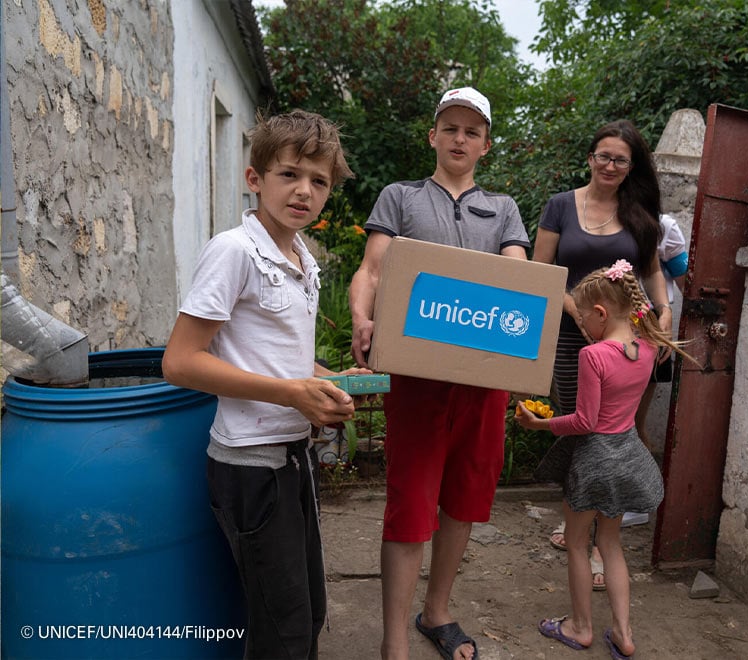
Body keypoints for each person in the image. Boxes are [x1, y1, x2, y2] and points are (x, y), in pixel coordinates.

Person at [162, 110, 365, 659]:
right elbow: (180, 362)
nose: (304, 191)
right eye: (289, 174)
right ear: (255, 178)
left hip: (293, 458)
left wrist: (332, 380)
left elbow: (280, 359)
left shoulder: (300, 257)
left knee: (308, 614)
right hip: (250, 467)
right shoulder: (234, 251)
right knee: (283, 631)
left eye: (319, 181)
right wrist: (292, 394)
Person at [349, 86, 530, 660]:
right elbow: (371, 270)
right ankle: (394, 642)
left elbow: (518, 284)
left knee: (464, 499)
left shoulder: (503, 209)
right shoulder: (400, 197)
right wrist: (361, 316)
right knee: (410, 503)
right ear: (433, 135)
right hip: (417, 381)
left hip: (482, 383)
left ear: (486, 146)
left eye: (472, 131)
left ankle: (437, 612)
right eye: (450, 127)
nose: (459, 138)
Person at [515, 259, 694, 658]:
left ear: (600, 313)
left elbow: (585, 421)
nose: (582, 325)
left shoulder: (593, 355)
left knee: (577, 543)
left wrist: (539, 424)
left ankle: (580, 627)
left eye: (583, 318)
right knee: (610, 544)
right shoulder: (648, 347)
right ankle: (624, 633)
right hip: (626, 454)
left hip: (594, 460)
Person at [532, 119, 671, 590]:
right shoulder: (560, 206)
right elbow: (541, 271)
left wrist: (665, 310)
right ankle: (579, 515)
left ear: (631, 167)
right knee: (580, 425)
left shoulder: (640, 214)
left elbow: (652, 272)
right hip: (571, 333)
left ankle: (598, 539)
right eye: (604, 156)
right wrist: (573, 309)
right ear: (590, 158)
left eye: (621, 160)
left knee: (616, 429)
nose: (610, 166)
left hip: (630, 337)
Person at [633, 213, 689, 452]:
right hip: (600, 320)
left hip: (647, 323)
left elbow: (688, 284)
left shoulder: (662, 225)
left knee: (633, 425)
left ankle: (646, 475)